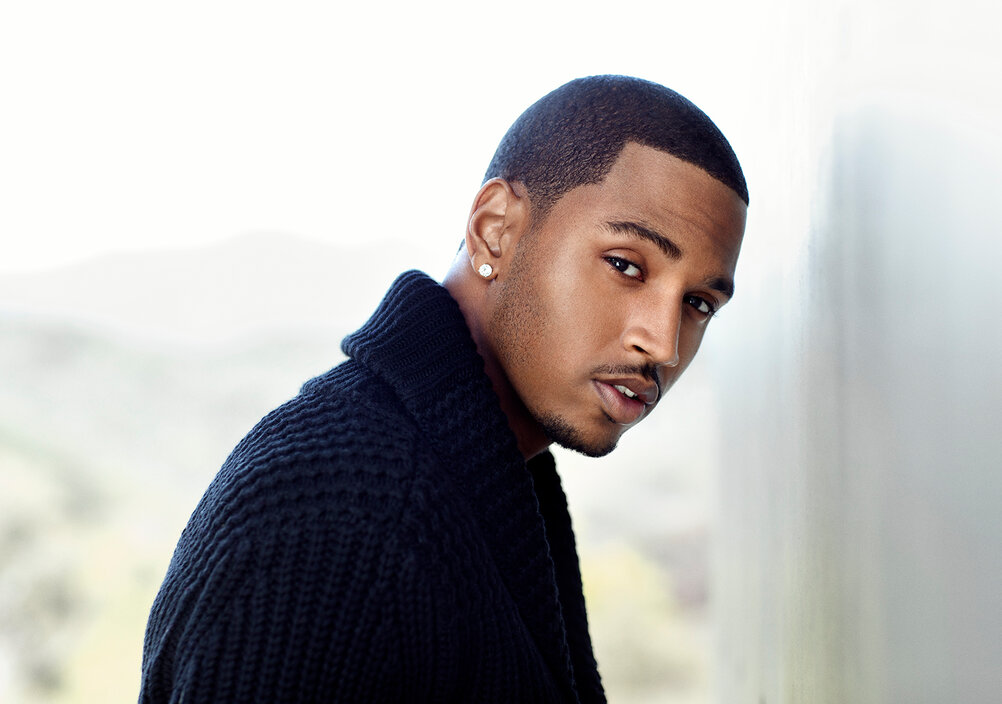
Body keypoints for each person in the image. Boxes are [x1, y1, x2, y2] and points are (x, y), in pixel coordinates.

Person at [139, 75, 748, 703]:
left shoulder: (488, 479)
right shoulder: (350, 518)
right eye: (626, 265)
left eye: (698, 303)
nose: (663, 344)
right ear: (495, 228)